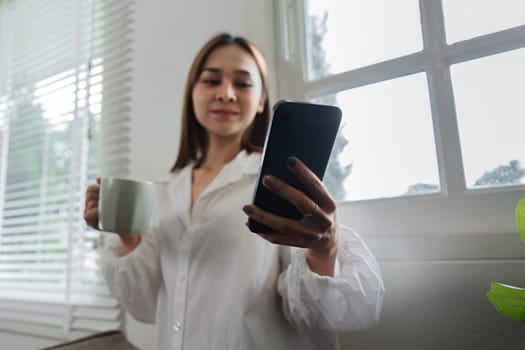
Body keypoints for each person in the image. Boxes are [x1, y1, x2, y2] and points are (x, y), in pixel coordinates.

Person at [84, 33, 384, 350]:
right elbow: (144, 306)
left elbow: (325, 316)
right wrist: (127, 234)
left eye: (242, 84)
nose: (226, 94)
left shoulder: (284, 184)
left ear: (261, 101)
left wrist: (324, 251)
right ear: (193, 93)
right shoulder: (166, 193)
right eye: (211, 81)